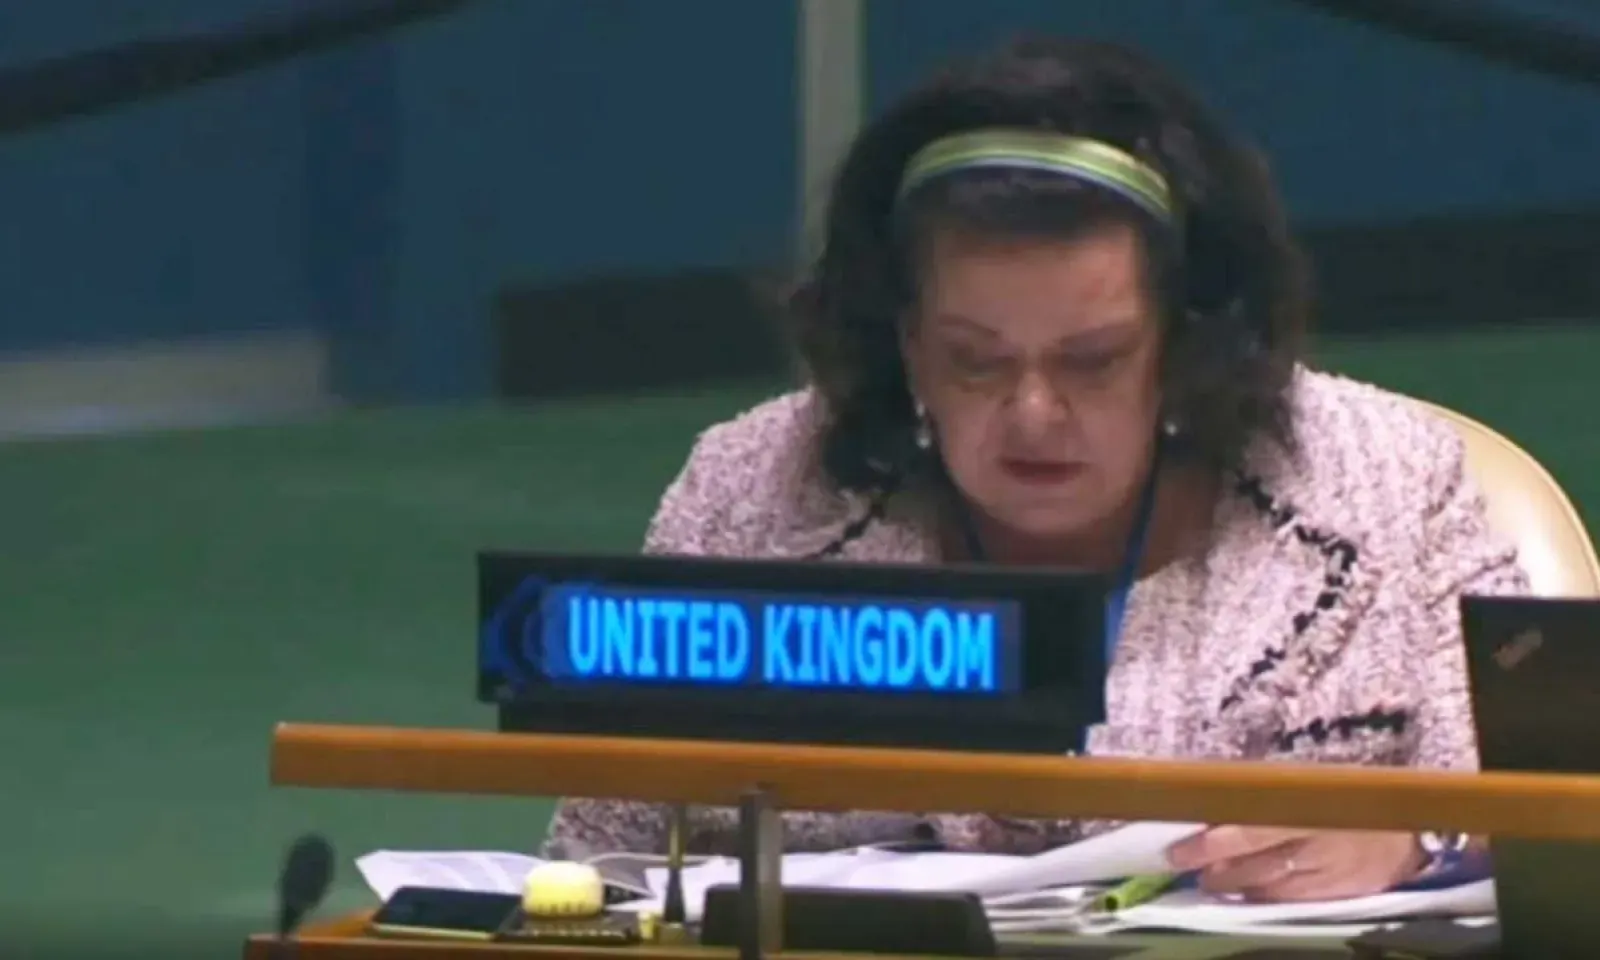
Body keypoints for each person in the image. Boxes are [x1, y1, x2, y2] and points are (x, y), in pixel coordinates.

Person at [542, 35, 1527, 903]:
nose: (1033, 416)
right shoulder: (752, 493)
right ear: (905, 342)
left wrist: (1418, 840)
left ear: (1185, 345)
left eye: (1093, 361)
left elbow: (1556, 817)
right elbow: (595, 867)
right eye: (975, 360)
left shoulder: (1385, 479)